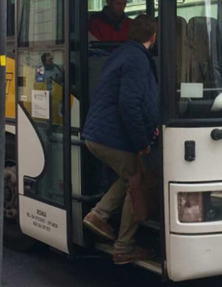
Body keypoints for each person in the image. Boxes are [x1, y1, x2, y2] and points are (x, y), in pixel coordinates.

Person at [82, 14, 159, 265]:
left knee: (129, 176)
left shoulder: (123, 53)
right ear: (153, 37)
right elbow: (130, 104)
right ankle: (123, 247)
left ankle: (99, 215)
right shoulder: (137, 59)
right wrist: (142, 142)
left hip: (99, 134)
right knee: (137, 182)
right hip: (110, 137)